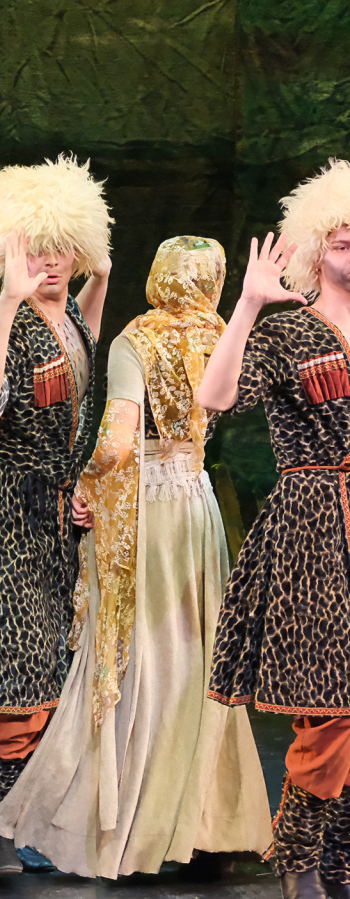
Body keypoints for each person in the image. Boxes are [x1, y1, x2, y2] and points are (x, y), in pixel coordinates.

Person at [0, 235, 272, 879]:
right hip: (194, 503)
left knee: (138, 654)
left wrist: (84, 484)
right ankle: (204, 826)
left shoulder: (135, 341)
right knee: (195, 656)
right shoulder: (222, 333)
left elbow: (117, 442)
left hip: (147, 507)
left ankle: (128, 825)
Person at [0, 155, 112, 874]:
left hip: (51, 510)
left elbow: (84, 356)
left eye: (61, 247)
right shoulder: (9, 321)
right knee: (11, 666)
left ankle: (22, 817)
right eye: (35, 248)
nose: (49, 261)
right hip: (2, 512)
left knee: (47, 662)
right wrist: (8, 301)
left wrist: (100, 277)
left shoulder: (68, 315)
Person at [198, 159, 350, 899]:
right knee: (330, 705)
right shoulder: (289, 332)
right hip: (313, 527)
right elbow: (216, 396)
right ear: (316, 248)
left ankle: (336, 861)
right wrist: (249, 306)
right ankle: (295, 853)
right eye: (342, 238)